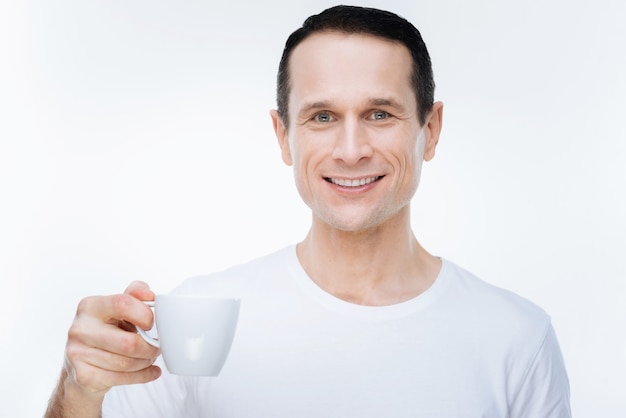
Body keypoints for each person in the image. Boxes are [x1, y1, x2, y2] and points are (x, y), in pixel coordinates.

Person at [46, 5, 571, 417]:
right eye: (322, 115)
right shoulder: (194, 320)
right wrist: (79, 391)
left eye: (379, 113)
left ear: (429, 131)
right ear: (283, 136)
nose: (350, 149)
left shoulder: (516, 338)